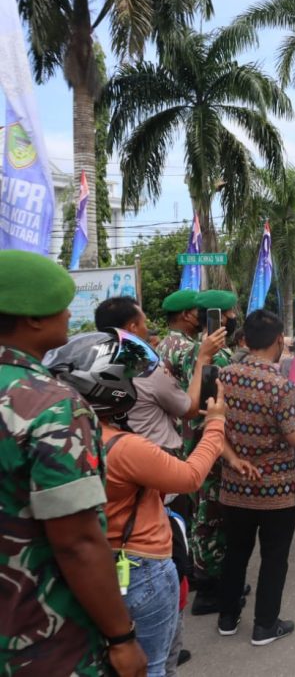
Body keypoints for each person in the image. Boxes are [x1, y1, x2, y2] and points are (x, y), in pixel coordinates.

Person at [0, 251, 147, 677]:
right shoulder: (49, 405)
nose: (68, 314)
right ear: (32, 318)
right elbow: (77, 541)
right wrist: (121, 638)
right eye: (61, 305)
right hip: (42, 641)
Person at [55, 331, 225, 676]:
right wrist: (216, 424)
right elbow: (190, 477)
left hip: (97, 569)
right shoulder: (126, 447)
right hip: (141, 566)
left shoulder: (64, 437)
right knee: (153, 666)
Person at [216, 309, 295, 646]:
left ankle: (227, 617)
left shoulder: (224, 376)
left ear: (245, 338)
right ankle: (265, 625)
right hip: (277, 491)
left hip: (234, 485)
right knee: (274, 558)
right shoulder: (280, 386)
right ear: (277, 340)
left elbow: (213, 426)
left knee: (236, 553)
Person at [95, 296, 224, 456]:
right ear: (133, 327)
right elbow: (189, 409)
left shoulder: (96, 366)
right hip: (156, 455)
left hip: (117, 453)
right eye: (144, 323)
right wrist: (203, 358)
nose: (147, 329)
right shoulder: (144, 367)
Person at [183, 290, 238, 616]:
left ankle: (211, 580)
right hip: (214, 446)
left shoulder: (196, 352)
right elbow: (216, 407)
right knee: (212, 517)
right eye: (229, 314)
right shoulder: (215, 358)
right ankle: (211, 589)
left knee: (205, 513)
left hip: (200, 443)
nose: (232, 320)